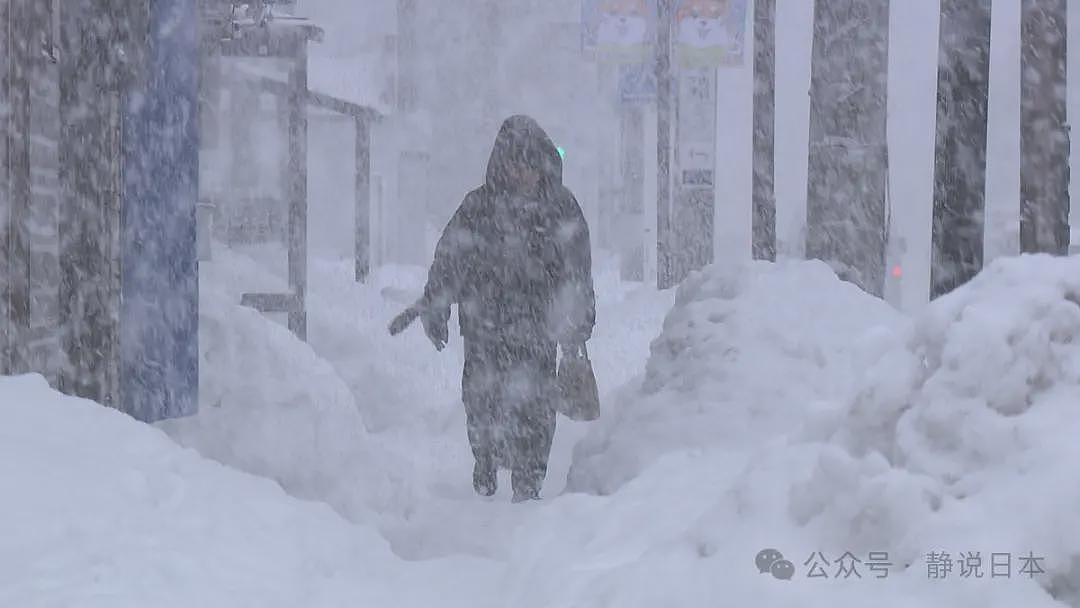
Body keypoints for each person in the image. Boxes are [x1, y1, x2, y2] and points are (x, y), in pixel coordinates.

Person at [417, 115, 595, 502]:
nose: (522, 172)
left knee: (536, 407)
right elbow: (450, 257)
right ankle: (486, 461)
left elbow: (577, 270)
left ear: (542, 164)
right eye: (514, 162)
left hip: (537, 329)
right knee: (481, 401)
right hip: (484, 326)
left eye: (530, 163)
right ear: (501, 163)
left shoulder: (560, 209)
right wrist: (436, 305)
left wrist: (577, 323)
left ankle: (528, 487)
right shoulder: (478, 206)